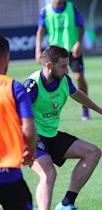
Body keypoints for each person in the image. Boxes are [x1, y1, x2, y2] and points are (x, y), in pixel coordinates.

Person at [25, 45, 102, 210]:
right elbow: (14, 114)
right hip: (33, 138)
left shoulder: (63, 80)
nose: (67, 70)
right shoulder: (32, 86)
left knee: (92, 152)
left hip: (52, 135)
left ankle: (66, 203)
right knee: (49, 173)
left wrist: (101, 110)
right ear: (49, 66)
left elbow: (77, 94)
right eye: (63, 66)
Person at [35, 0, 91, 121]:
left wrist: (78, 42)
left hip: (72, 51)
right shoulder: (45, 11)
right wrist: (37, 50)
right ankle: (48, 112)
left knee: (79, 78)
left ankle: (85, 109)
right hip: (54, 54)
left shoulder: (72, 8)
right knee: (49, 82)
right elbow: (40, 32)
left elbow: (82, 26)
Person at [0, 35, 37, 210]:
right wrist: (30, 149)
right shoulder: (14, 88)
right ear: (6, 57)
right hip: (8, 175)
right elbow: (29, 129)